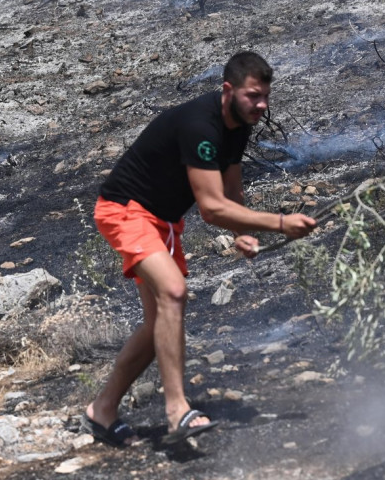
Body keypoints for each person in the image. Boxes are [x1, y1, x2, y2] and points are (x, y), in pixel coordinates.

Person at [83, 51, 318, 447]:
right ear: (229, 90)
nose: (261, 105)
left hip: (164, 222)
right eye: (253, 96)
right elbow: (210, 209)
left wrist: (243, 227)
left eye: (265, 97)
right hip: (126, 211)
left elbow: (230, 192)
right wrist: (279, 223)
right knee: (174, 292)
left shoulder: (238, 126)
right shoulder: (200, 125)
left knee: (157, 319)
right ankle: (177, 411)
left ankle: (101, 410)